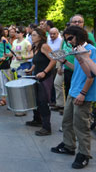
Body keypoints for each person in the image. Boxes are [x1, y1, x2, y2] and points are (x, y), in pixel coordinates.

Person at [51, 26, 96, 169]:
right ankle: (69, 145)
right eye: (66, 39)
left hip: (83, 94)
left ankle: (84, 154)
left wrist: (83, 93)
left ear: (78, 36)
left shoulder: (90, 50)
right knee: (66, 121)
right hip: (73, 90)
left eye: (70, 38)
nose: (68, 41)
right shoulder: (77, 50)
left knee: (81, 126)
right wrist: (64, 61)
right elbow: (78, 70)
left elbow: (91, 75)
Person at [24, 28, 56, 136]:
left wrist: (44, 72)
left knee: (43, 102)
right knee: (36, 100)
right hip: (36, 76)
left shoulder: (44, 46)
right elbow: (37, 61)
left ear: (40, 37)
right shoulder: (35, 47)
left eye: (33, 35)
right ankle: (37, 120)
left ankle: (47, 127)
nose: (31, 37)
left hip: (45, 77)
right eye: (31, 35)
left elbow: (54, 59)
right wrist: (32, 69)